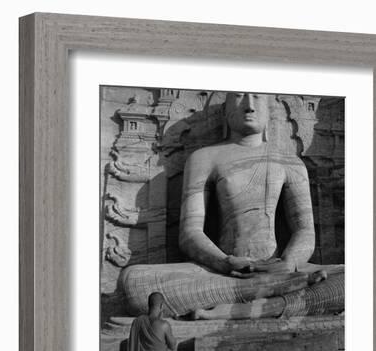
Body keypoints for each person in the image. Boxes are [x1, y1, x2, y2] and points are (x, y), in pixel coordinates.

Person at [120, 92, 344, 319]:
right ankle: (280, 291)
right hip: (223, 272)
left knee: (353, 281)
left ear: (269, 113)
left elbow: (305, 230)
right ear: (226, 112)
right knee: (134, 283)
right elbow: (190, 233)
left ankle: (251, 302)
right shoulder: (204, 158)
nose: (249, 106)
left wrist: (288, 263)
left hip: (280, 267)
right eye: (239, 98)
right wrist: (227, 263)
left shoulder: (290, 163)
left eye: (257, 99)